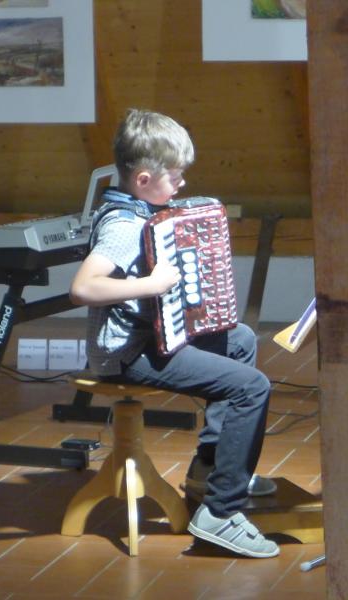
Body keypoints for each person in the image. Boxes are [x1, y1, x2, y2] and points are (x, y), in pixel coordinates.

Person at [70, 108, 279, 559]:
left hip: (155, 337)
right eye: (176, 176)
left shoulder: (144, 210)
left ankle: (209, 470)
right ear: (143, 179)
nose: (182, 184)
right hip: (128, 352)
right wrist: (152, 284)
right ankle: (221, 513)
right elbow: (83, 288)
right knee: (251, 387)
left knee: (240, 339)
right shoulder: (123, 225)